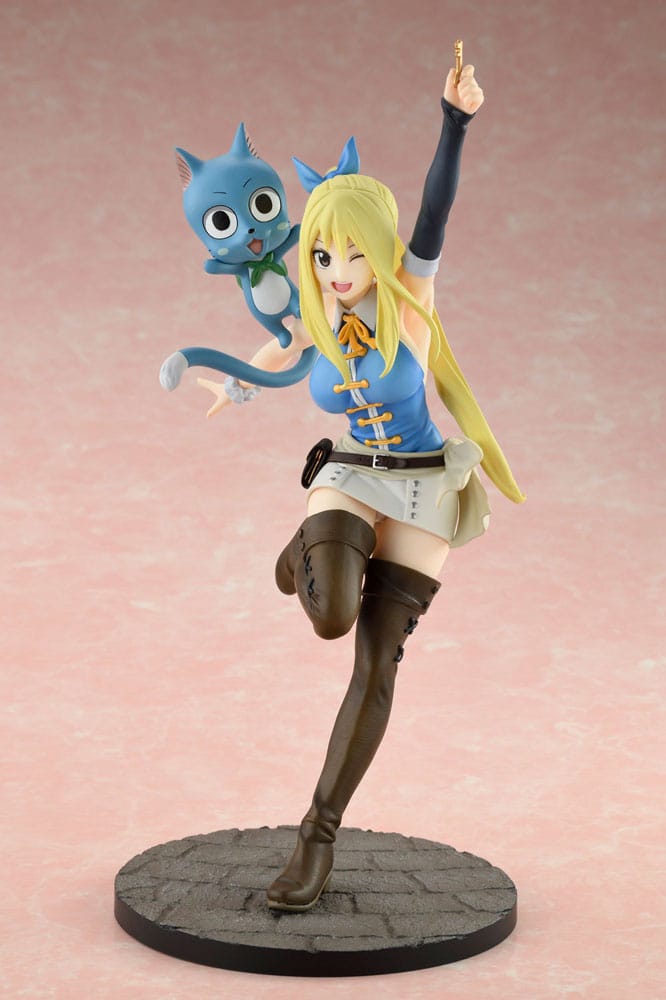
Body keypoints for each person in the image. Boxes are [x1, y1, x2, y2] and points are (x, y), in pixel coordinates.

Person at [200, 59, 524, 912]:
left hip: (423, 488)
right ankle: (310, 542)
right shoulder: (321, 313)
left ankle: (317, 836)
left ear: (377, 250)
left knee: (376, 666)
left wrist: (454, 122)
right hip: (349, 474)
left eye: (351, 252)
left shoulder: (409, 299)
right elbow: (276, 352)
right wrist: (232, 384)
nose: (337, 269)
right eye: (322, 254)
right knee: (330, 617)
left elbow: (435, 210)